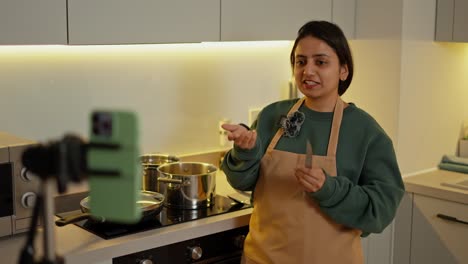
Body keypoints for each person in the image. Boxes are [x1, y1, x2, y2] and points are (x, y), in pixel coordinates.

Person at [221, 20, 405, 264]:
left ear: (343, 70)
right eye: (300, 62)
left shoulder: (365, 131)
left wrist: (328, 189)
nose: (307, 71)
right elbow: (242, 182)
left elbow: (380, 211)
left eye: (320, 62)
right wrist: (245, 152)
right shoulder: (272, 117)